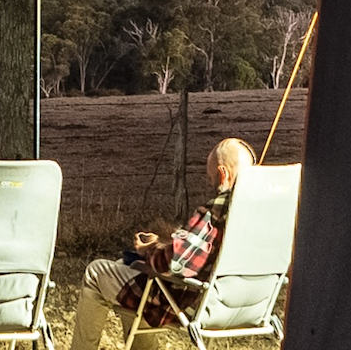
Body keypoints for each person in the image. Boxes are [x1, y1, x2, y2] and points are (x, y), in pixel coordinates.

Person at [78, 136, 255, 335]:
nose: (211, 184)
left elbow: (176, 264)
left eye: (211, 179)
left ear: (223, 174)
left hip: (191, 305)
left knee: (95, 271)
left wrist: (149, 250)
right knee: (122, 267)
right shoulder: (264, 213)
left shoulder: (216, 210)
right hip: (248, 307)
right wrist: (165, 242)